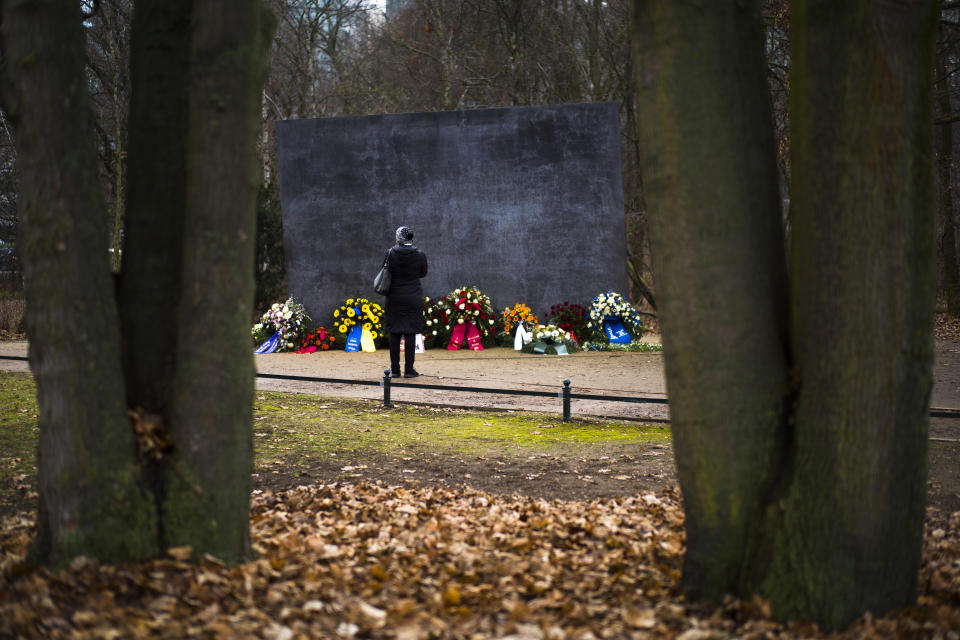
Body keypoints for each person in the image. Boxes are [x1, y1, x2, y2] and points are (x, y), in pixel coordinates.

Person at [383, 226, 428, 377]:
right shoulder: (420, 254)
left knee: (395, 333)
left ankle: (395, 370)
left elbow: (384, 271)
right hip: (412, 297)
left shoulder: (389, 254)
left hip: (394, 297)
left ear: (398, 238)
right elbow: (423, 273)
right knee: (410, 333)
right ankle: (409, 370)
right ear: (410, 238)